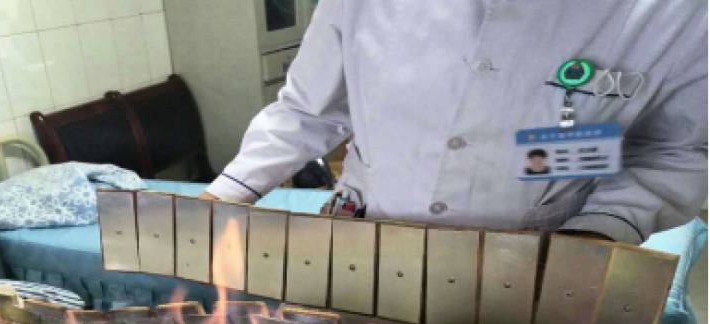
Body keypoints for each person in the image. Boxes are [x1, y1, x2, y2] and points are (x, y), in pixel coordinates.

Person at [201, 0, 707, 244]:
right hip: (364, 248)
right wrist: (225, 194)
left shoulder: (675, 11)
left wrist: (598, 233)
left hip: (538, 273)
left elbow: (676, 149)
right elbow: (308, 109)